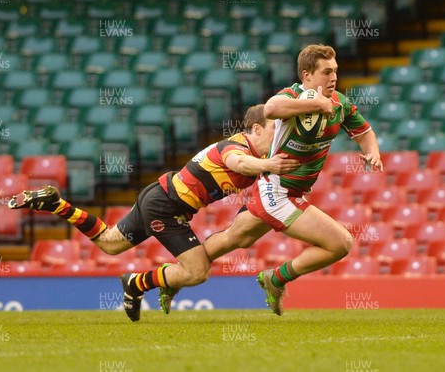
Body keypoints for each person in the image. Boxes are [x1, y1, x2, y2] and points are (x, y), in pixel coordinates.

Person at [8, 104, 300, 321]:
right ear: (257, 129)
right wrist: (267, 166)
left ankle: (56, 204)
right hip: (167, 204)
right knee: (198, 271)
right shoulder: (237, 146)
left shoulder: (257, 156)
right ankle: (137, 282)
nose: (278, 138)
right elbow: (238, 164)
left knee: (110, 244)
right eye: (276, 130)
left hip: (160, 194)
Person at [163, 44, 383, 316]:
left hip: (289, 191)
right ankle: (276, 278)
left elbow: (364, 133)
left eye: (335, 71)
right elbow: (270, 109)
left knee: (236, 238)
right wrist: (316, 103)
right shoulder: (292, 97)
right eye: (326, 72)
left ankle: (173, 277)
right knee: (341, 243)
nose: (334, 78)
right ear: (307, 75)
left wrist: (371, 153)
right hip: (277, 191)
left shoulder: (340, 104)